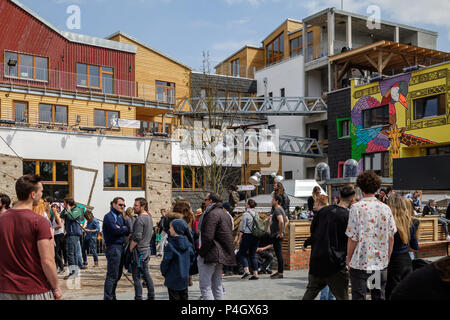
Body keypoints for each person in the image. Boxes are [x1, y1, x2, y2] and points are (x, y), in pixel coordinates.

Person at [0, 174, 62, 300]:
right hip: (34, 288)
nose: (42, 195)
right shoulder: (39, 221)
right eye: (41, 191)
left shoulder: (1, 219)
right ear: (33, 195)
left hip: (4, 289)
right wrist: (56, 287)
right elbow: (47, 261)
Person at [346, 171, 397, 300]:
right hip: (379, 260)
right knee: (378, 295)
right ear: (377, 187)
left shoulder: (356, 208)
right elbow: (391, 236)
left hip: (360, 261)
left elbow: (353, 237)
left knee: (359, 295)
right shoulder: (385, 208)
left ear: (361, 188)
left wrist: (349, 258)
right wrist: (388, 256)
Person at [302, 186, 356, 300]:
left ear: (339, 197)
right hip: (335, 264)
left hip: (317, 260)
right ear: (352, 200)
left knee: (310, 292)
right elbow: (350, 239)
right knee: (342, 296)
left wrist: (307, 243)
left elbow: (313, 233)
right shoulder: (348, 216)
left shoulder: (322, 212)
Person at [197, 192, 236, 300]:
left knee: (205, 287)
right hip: (221, 254)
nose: (204, 202)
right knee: (217, 285)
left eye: (205, 200)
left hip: (211, 253)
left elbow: (208, 237)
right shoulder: (225, 214)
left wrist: (202, 253)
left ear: (210, 201)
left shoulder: (211, 214)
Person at [385, 194, 419, 299]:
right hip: (406, 261)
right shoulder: (410, 222)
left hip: (390, 261)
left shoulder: (386, 223)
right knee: (406, 292)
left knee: (391, 293)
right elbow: (415, 246)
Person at [160, 219, 195, 300]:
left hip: (173, 278)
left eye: (171, 228)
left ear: (176, 229)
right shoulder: (189, 244)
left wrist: (164, 272)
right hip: (184, 277)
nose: (169, 229)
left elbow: (166, 261)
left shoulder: (170, 245)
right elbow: (192, 259)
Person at [102, 197, 129, 300]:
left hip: (120, 247)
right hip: (113, 247)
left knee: (117, 275)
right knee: (112, 275)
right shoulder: (109, 217)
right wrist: (122, 229)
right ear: (114, 204)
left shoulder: (120, 217)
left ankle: (112, 295)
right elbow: (115, 231)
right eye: (120, 205)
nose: (122, 207)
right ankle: (108, 297)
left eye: (123, 205)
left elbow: (128, 229)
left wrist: (121, 228)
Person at [129, 198, 155, 300]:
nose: (134, 207)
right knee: (146, 274)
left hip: (140, 251)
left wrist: (130, 248)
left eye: (136, 205)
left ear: (142, 207)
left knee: (136, 276)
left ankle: (139, 297)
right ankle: (151, 295)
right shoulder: (149, 217)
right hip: (146, 249)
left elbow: (137, 237)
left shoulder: (140, 219)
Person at [60, 198, 85, 280]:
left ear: (68, 203)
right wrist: (65, 209)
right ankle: (74, 272)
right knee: (72, 253)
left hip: (73, 233)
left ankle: (73, 272)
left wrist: (68, 209)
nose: (63, 205)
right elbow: (61, 215)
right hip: (70, 233)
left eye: (64, 203)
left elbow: (72, 217)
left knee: (71, 253)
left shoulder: (77, 209)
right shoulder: (69, 209)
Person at [237, 199, 260, 280]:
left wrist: (239, 239)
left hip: (247, 235)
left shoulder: (246, 214)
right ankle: (255, 274)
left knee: (241, 253)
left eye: (246, 204)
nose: (245, 205)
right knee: (253, 255)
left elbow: (242, 228)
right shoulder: (256, 213)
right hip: (256, 236)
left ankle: (246, 271)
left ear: (248, 205)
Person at [269, 195, 287, 279]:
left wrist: (280, 232)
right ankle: (279, 272)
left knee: (279, 254)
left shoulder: (277, 210)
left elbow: (282, 221)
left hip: (277, 235)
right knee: (278, 253)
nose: (271, 201)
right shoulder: (281, 209)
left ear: (276, 201)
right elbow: (287, 220)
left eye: (273, 200)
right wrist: (283, 230)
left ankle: (280, 273)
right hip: (277, 234)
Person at [50, 203, 65, 274]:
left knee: (55, 253)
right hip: (59, 235)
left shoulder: (56, 215)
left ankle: (61, 268)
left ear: (57, 208)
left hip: (58, 235)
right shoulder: (56, 215)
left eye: (54, 207)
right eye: (52, 207)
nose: (52, 208)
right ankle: (59, 267)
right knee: (58, 252)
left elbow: (59, 225)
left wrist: (52, 229)